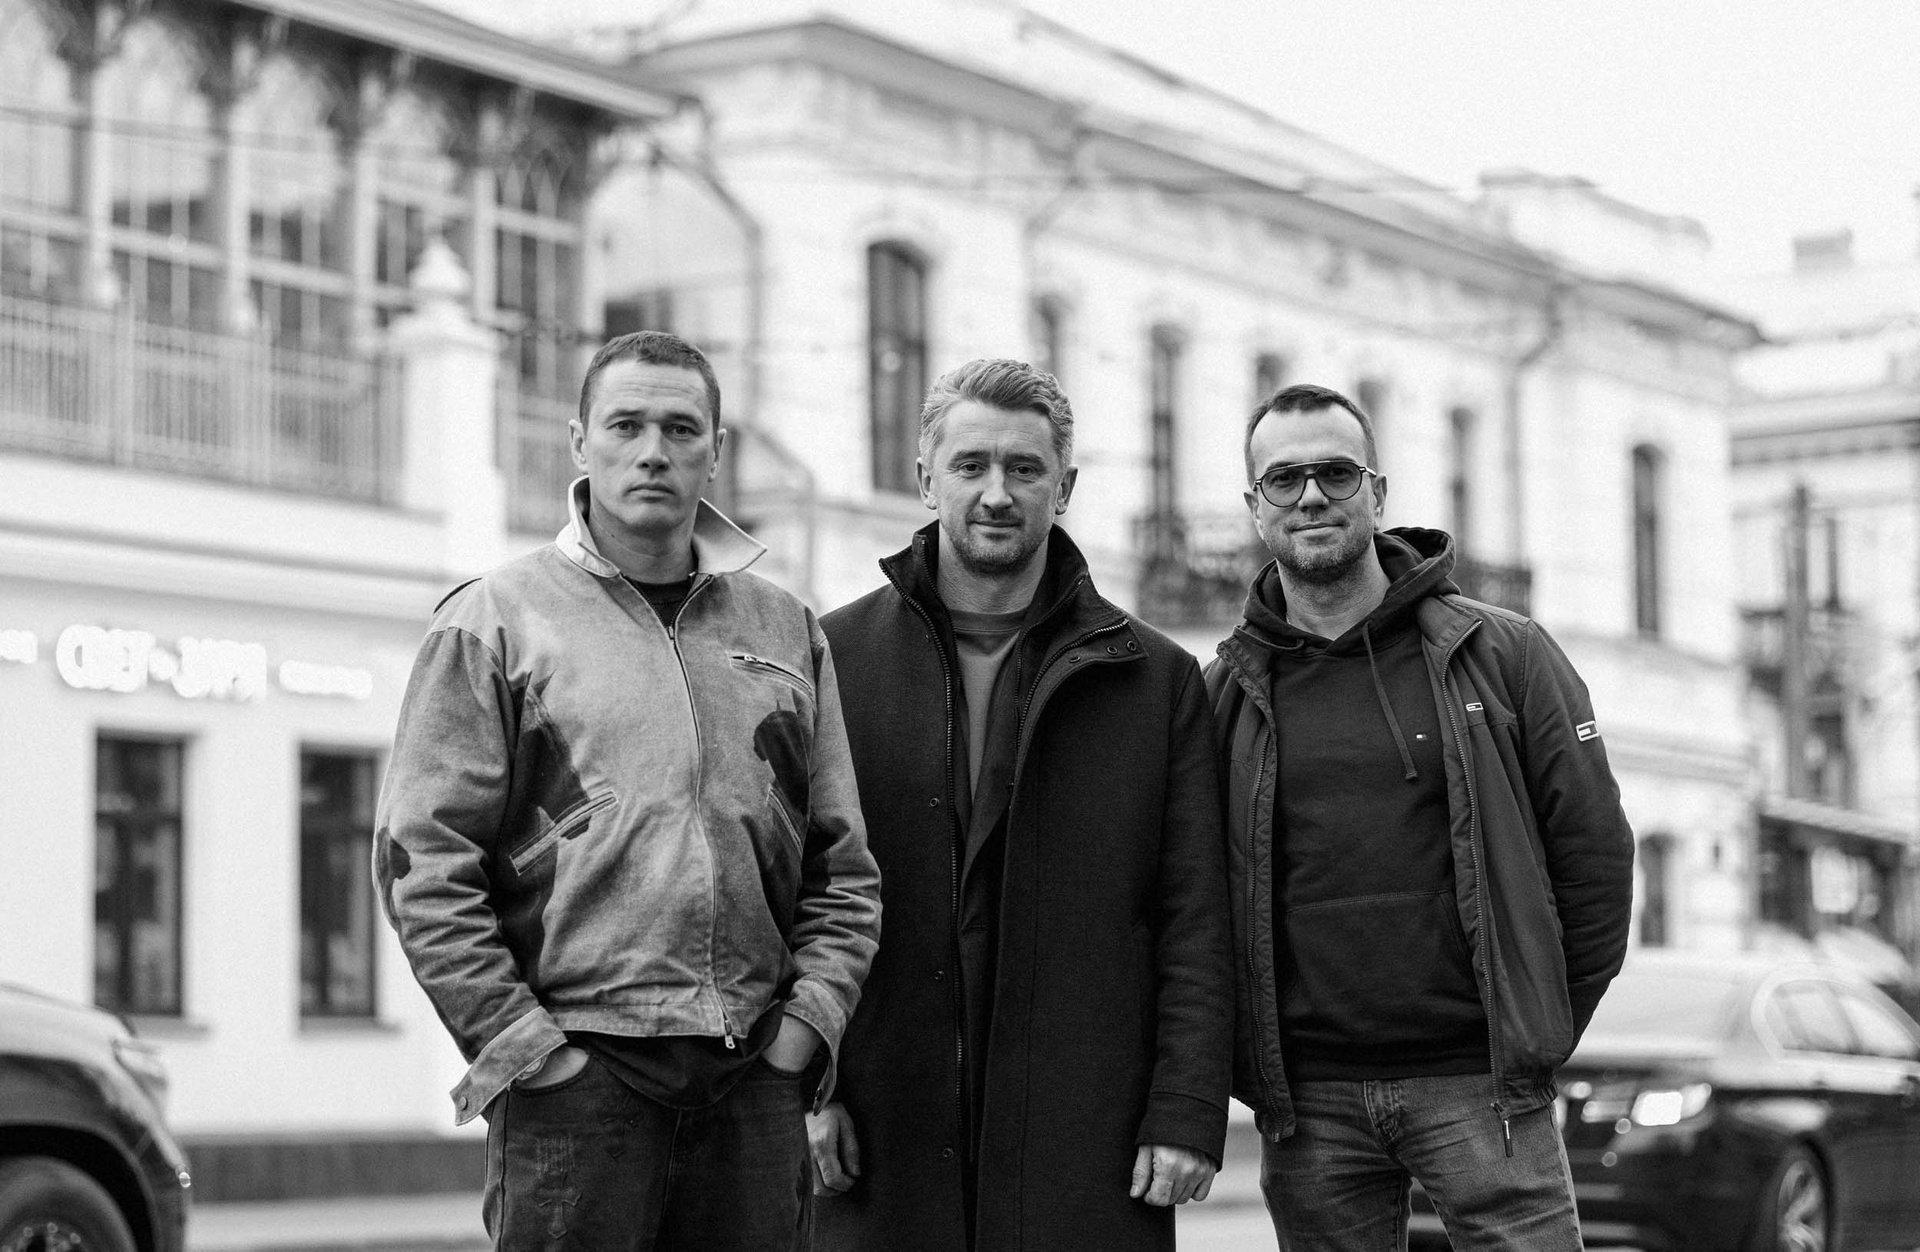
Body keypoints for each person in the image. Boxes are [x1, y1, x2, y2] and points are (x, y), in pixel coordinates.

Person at [374, 330, 881, 1251]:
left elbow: (842, 867)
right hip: (577, 1086)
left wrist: (805, 1029)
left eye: (681, 429)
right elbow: (423, 864)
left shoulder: (784, 628)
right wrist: (529, 1051)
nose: (653, 451)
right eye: (626, 425)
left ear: (716, 451)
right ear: (580, 442)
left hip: (752, 1078)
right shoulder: (496, 621)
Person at [810, 358, 1233, 1252]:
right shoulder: (830, 661)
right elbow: (792, 890)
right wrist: (809, 1087)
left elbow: (1195, 915)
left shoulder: (1155, 681)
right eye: (970, 465)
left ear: (1064, 488)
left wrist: (1187, 1108)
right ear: (926, 478)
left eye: (1025, 468)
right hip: (882, 1125)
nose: (996, 494)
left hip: (1089, 1131)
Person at [1206, 383, 1635, 1251]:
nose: (1311, 496)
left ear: (1377, 491)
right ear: (1256, 507)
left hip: (1480, 1086)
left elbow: (1594, 860)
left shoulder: (1503, 654)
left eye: (1336, 473)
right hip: (1311, 1103)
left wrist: (1533, 1033)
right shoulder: (1225, 692)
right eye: (1284, 479)